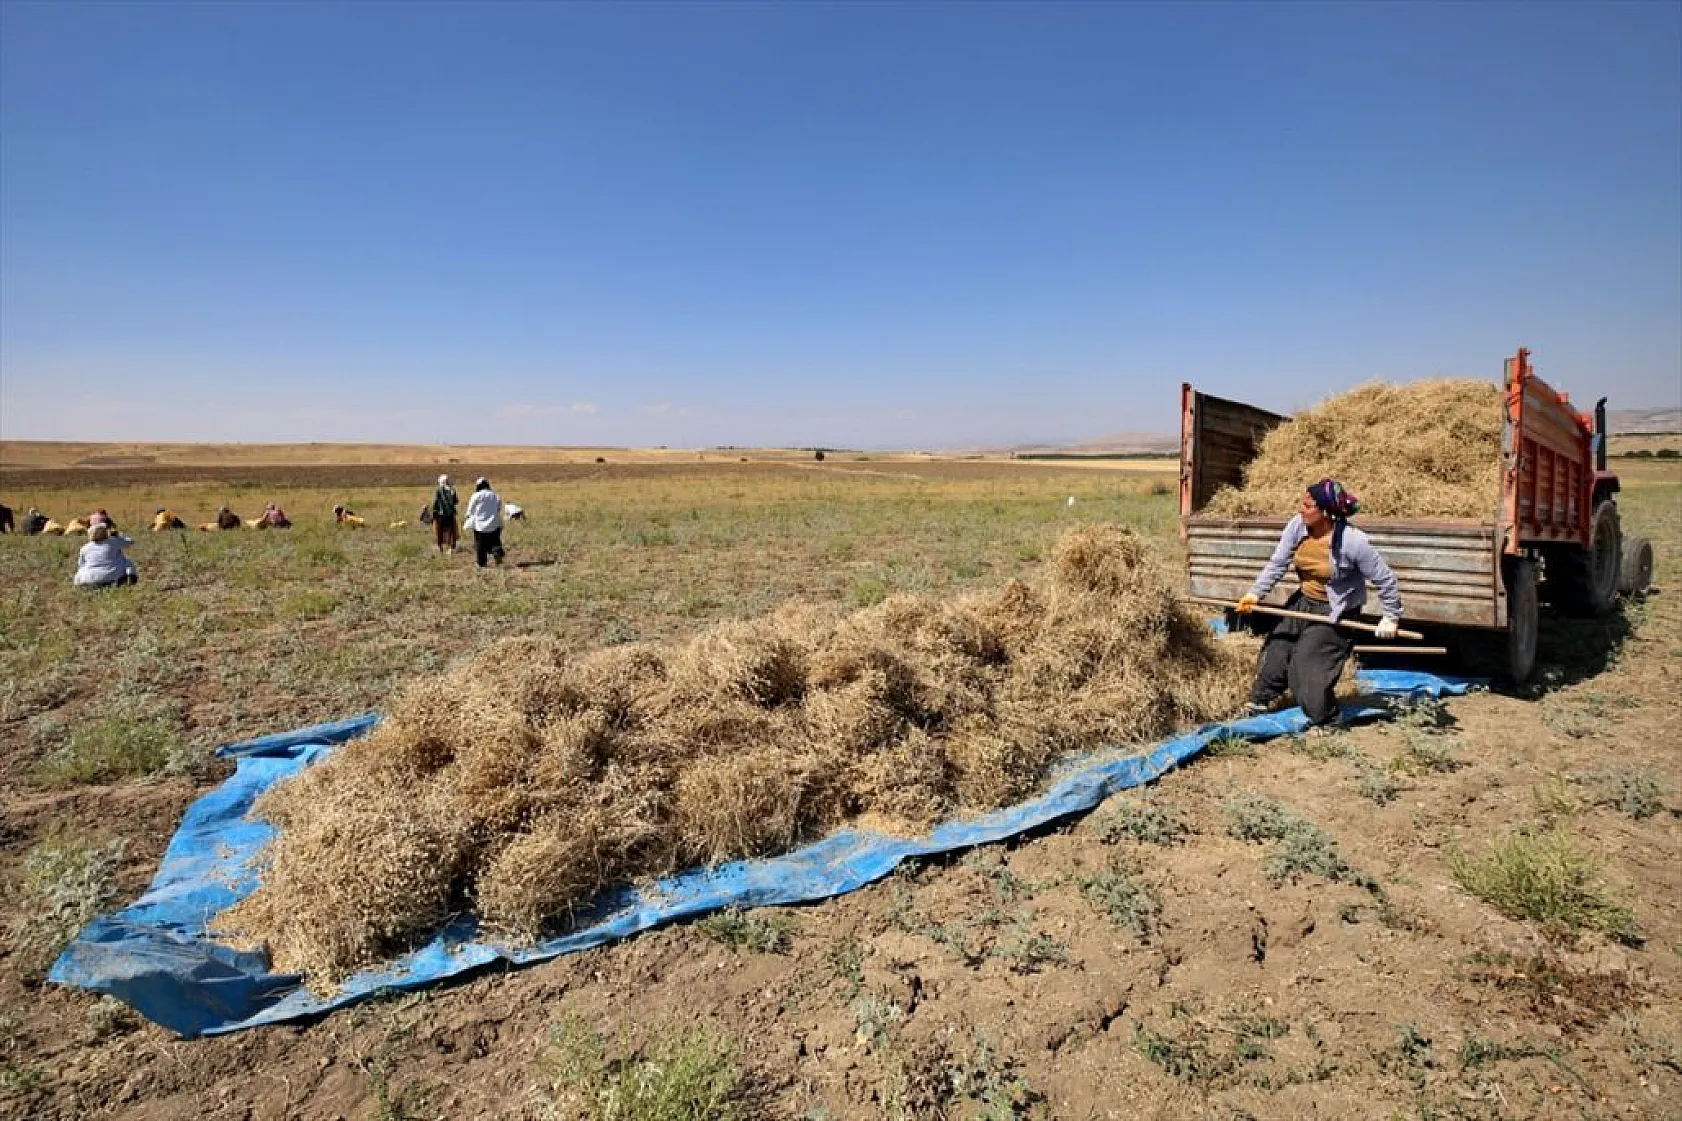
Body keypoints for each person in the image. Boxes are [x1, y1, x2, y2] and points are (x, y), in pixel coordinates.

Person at [1235, 478, 1403, 730]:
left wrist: (1391, 616)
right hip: (1303, 601)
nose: (1300, 509)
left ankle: (1328, 719)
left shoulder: (1353, 541)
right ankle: (1260, 701)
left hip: (1336, 612)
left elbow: (1385, 579)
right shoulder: (1297, 526)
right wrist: (1255, 593)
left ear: (1325, 513)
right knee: (1277, 650)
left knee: (1306, 669)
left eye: (1307, 505)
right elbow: (1277, 563)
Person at [73, 523, 139, 588]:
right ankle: (129, 579)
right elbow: (130, 542)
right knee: (127, 561)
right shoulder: (113, 542)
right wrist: (118, 535)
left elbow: (81, 564)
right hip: (109, 576)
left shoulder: (85, 548)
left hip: (86, 579)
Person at [463, 477, 505, 567]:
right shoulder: (494, 495)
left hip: (479, 525)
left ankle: (481, 563)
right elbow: (498, 507)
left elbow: (470, 510)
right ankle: (496, 552)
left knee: (480, 544)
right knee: (495, 540)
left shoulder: (476, 496)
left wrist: (468, 516)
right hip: (494, 523)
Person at [430, 474, 459, 554]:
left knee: (439, 531)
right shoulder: (452, 490)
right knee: (451, 530)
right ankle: (451, 547)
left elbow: (435, 502)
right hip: (450, 514)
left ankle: (440, 547)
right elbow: (456, 501)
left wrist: (434, 512)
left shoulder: (438, 490)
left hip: (440, 515)